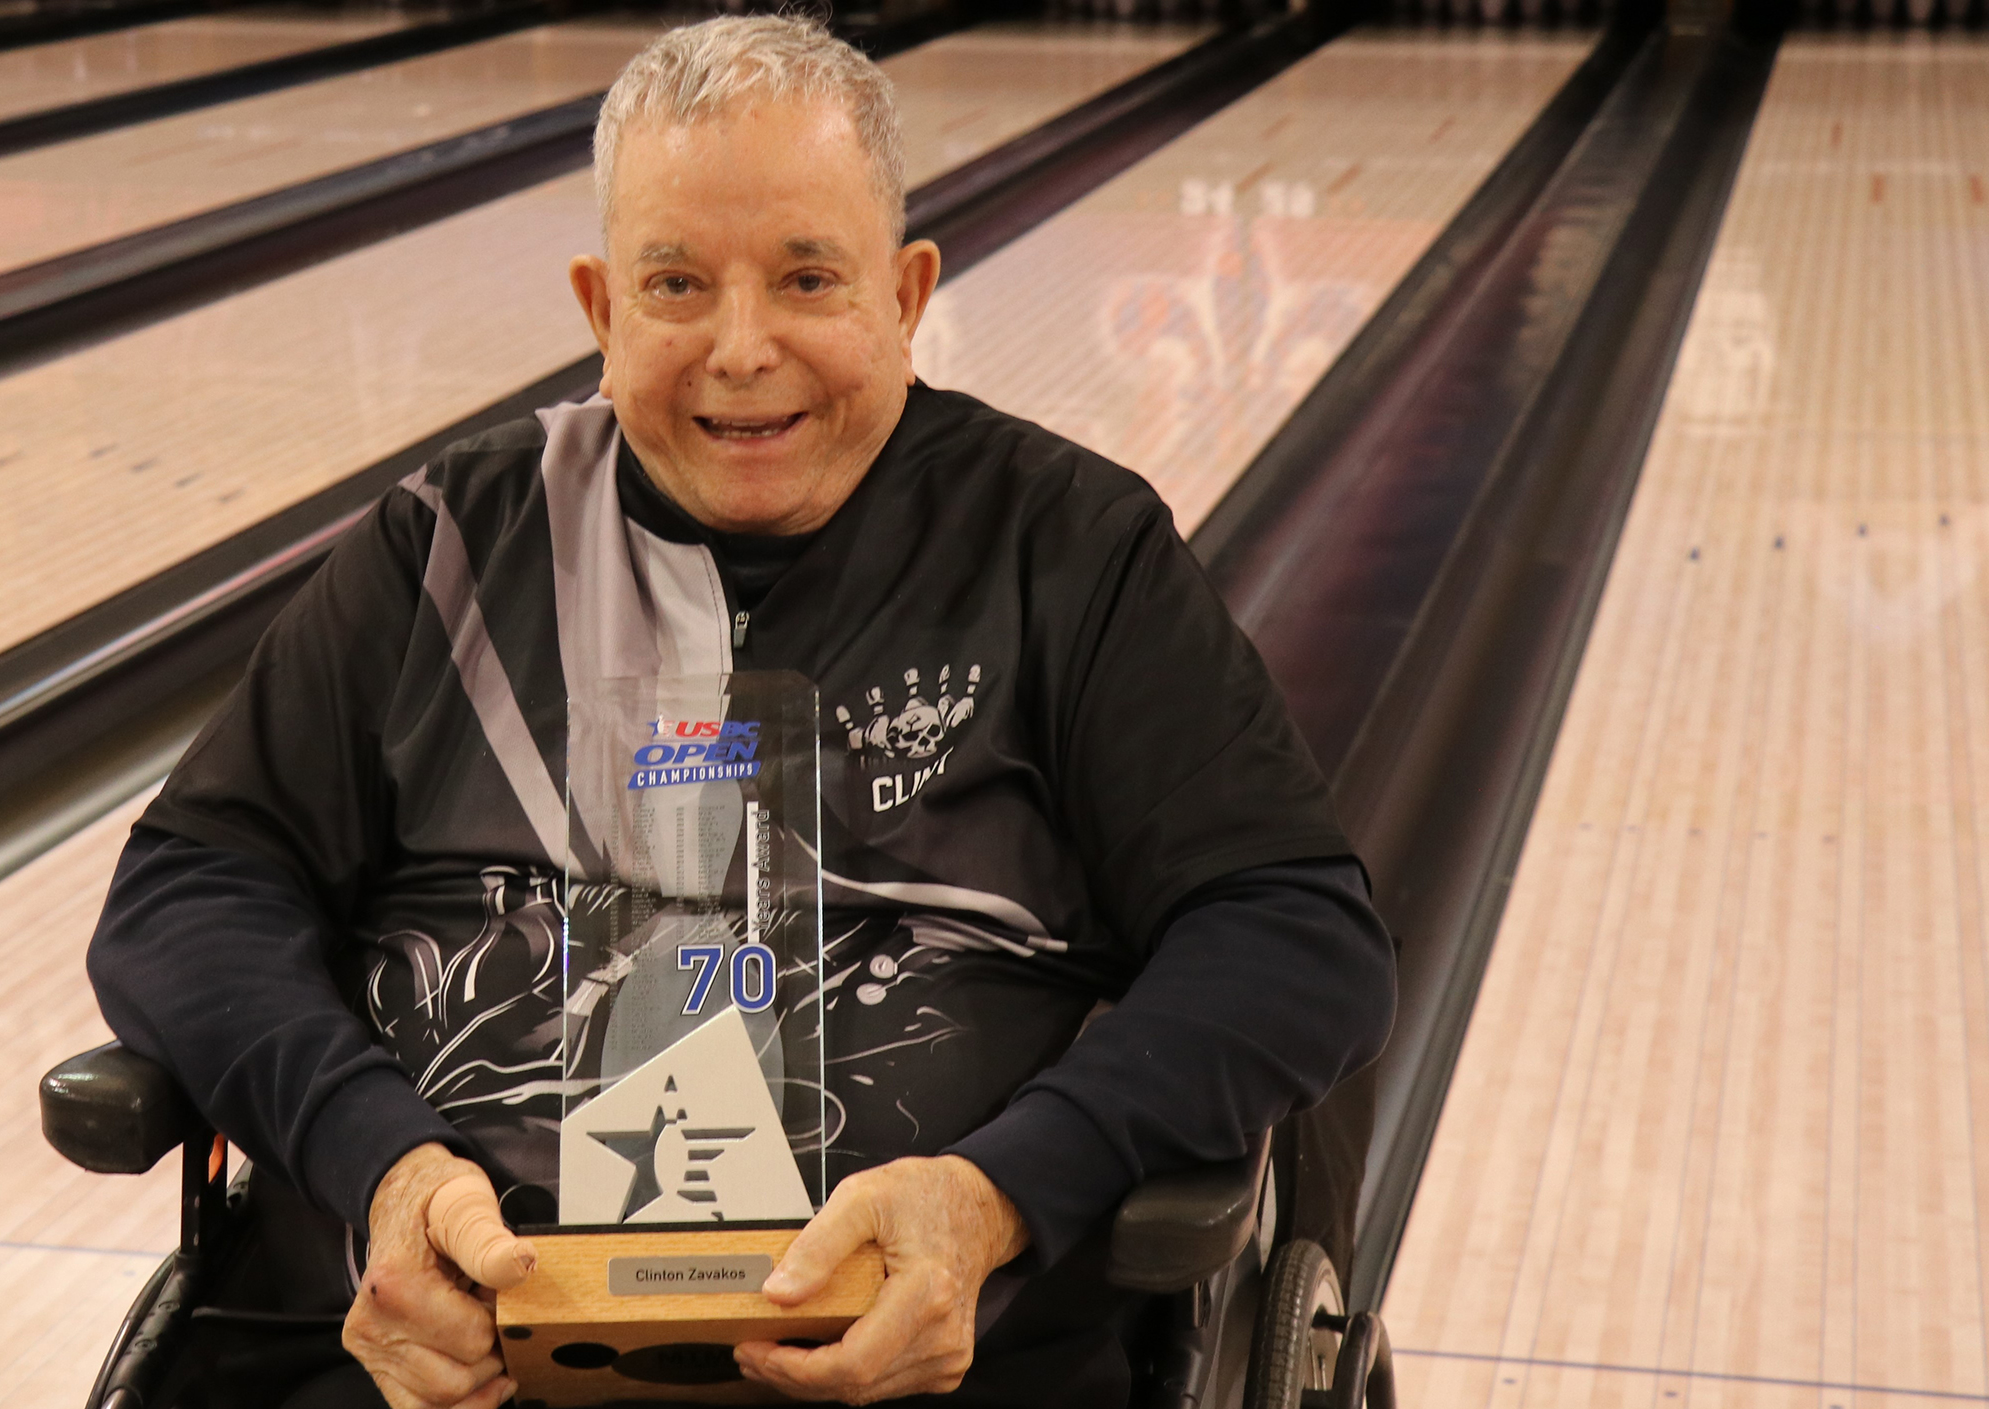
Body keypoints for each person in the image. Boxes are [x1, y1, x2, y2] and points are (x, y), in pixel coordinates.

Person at [87, 16, 1396, 1409]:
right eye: (676, 284)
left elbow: (1294, 930)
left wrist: (1001, 1194)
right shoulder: (451, 548)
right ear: (602, 311)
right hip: (437, 1371)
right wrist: (379, 1164)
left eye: (807, 277)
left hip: (926, 1373)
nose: (740, 346)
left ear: (906, 293)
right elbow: (192, 890)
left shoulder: (1064, 550)